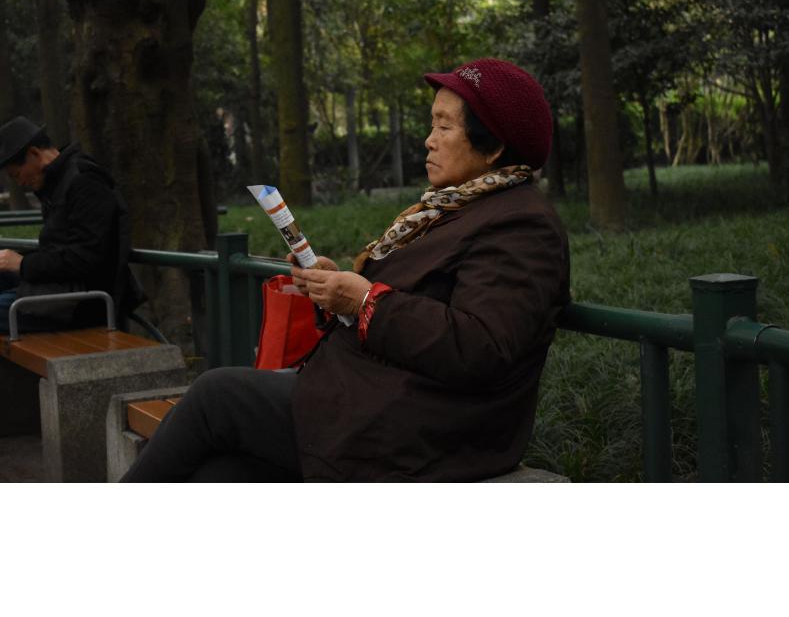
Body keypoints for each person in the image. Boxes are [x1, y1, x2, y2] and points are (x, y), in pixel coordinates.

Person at [122, 58, 570, 482]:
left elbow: (481, 346)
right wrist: (333, 289)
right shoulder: (452, 208)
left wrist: (365, 301)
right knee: (220, 474)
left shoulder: (521, 224)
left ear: (493, 146)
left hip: (427, 424)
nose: (429, 140)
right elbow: (407, 300)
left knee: (216, 394)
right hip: (370, 391)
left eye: (444, 126)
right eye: (431, 124)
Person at [0, 116, 139, 335]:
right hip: (60, 288)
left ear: (34, 153)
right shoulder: (57, 182)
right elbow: (58, 249)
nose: (20, 183)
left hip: (80, 301)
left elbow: (85, 258)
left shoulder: (85, 181)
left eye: (17, 175)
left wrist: (22, 263)